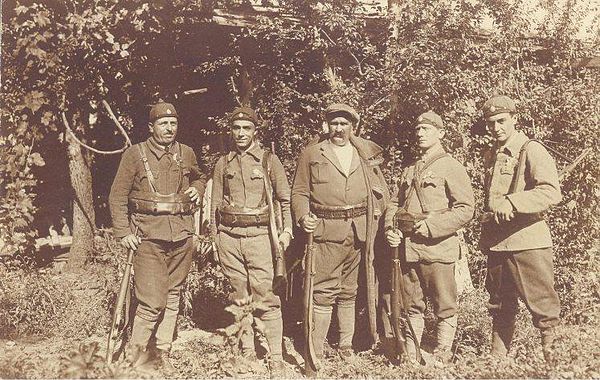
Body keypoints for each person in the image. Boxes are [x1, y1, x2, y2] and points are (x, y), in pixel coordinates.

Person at [109, 102, 207, 373]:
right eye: (163, 124)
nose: (169, 128)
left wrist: (198, 187)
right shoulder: (134, 154)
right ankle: (135, 359)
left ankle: (163, 351)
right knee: (152, 301)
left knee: (174, 294)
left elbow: (201, 177)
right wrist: (123, 233)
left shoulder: (186, 153)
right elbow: (117, 196)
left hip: (181, 236)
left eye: (173, 123)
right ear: (151, 127)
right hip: (148, 237)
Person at [291, 103, 390, 363]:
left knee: (350, 290)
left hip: (359, 232)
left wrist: (379, 214)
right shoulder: (312, 154)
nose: (339, 128)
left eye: (344, 124)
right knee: (322, 291)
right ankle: (316, 349)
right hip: (325, 231)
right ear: (327, 126)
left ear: (352, 127)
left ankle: (346, 345)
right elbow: (299, 192)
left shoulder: (364, 154)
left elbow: (381, 190)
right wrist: (303, 217)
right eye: (334, 123)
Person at [384, 111, 474, 363]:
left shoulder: (451, 166)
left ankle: (442, 353)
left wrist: (433, 228)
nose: (420, 133)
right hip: (409, 248)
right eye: (418, 129)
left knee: (444, 303)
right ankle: (412, 356)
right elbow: (394, 203)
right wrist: (390, 229)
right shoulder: (410, 169)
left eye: (427, 129)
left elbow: (466, 209)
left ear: (441, 133)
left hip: (438, 247)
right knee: (412, 304)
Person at [209, 106, 293, 376]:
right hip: (230, 239)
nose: (241, 133)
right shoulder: (224, 163)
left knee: (266, 296)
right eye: (236, 128)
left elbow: (284, 199)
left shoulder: (269, 160)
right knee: (239, 296)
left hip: (260, 238)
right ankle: (247, 351)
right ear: (230, 131)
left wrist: (286, 231)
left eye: (247, 128)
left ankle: (276, 356)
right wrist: (215, 239)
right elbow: (214, 205)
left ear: (256, 131)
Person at [480, 95, 562, 362]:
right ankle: (497, 362)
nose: (496, 128)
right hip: (499, 242)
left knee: (543, 306)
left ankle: (555, 364)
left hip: (528, 241)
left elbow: (550, 192)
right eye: (491, 123)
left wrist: (513, 201)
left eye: (502, 121)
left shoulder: (531, 149)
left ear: (515, 119)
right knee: (500, 305)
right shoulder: (492, 154)